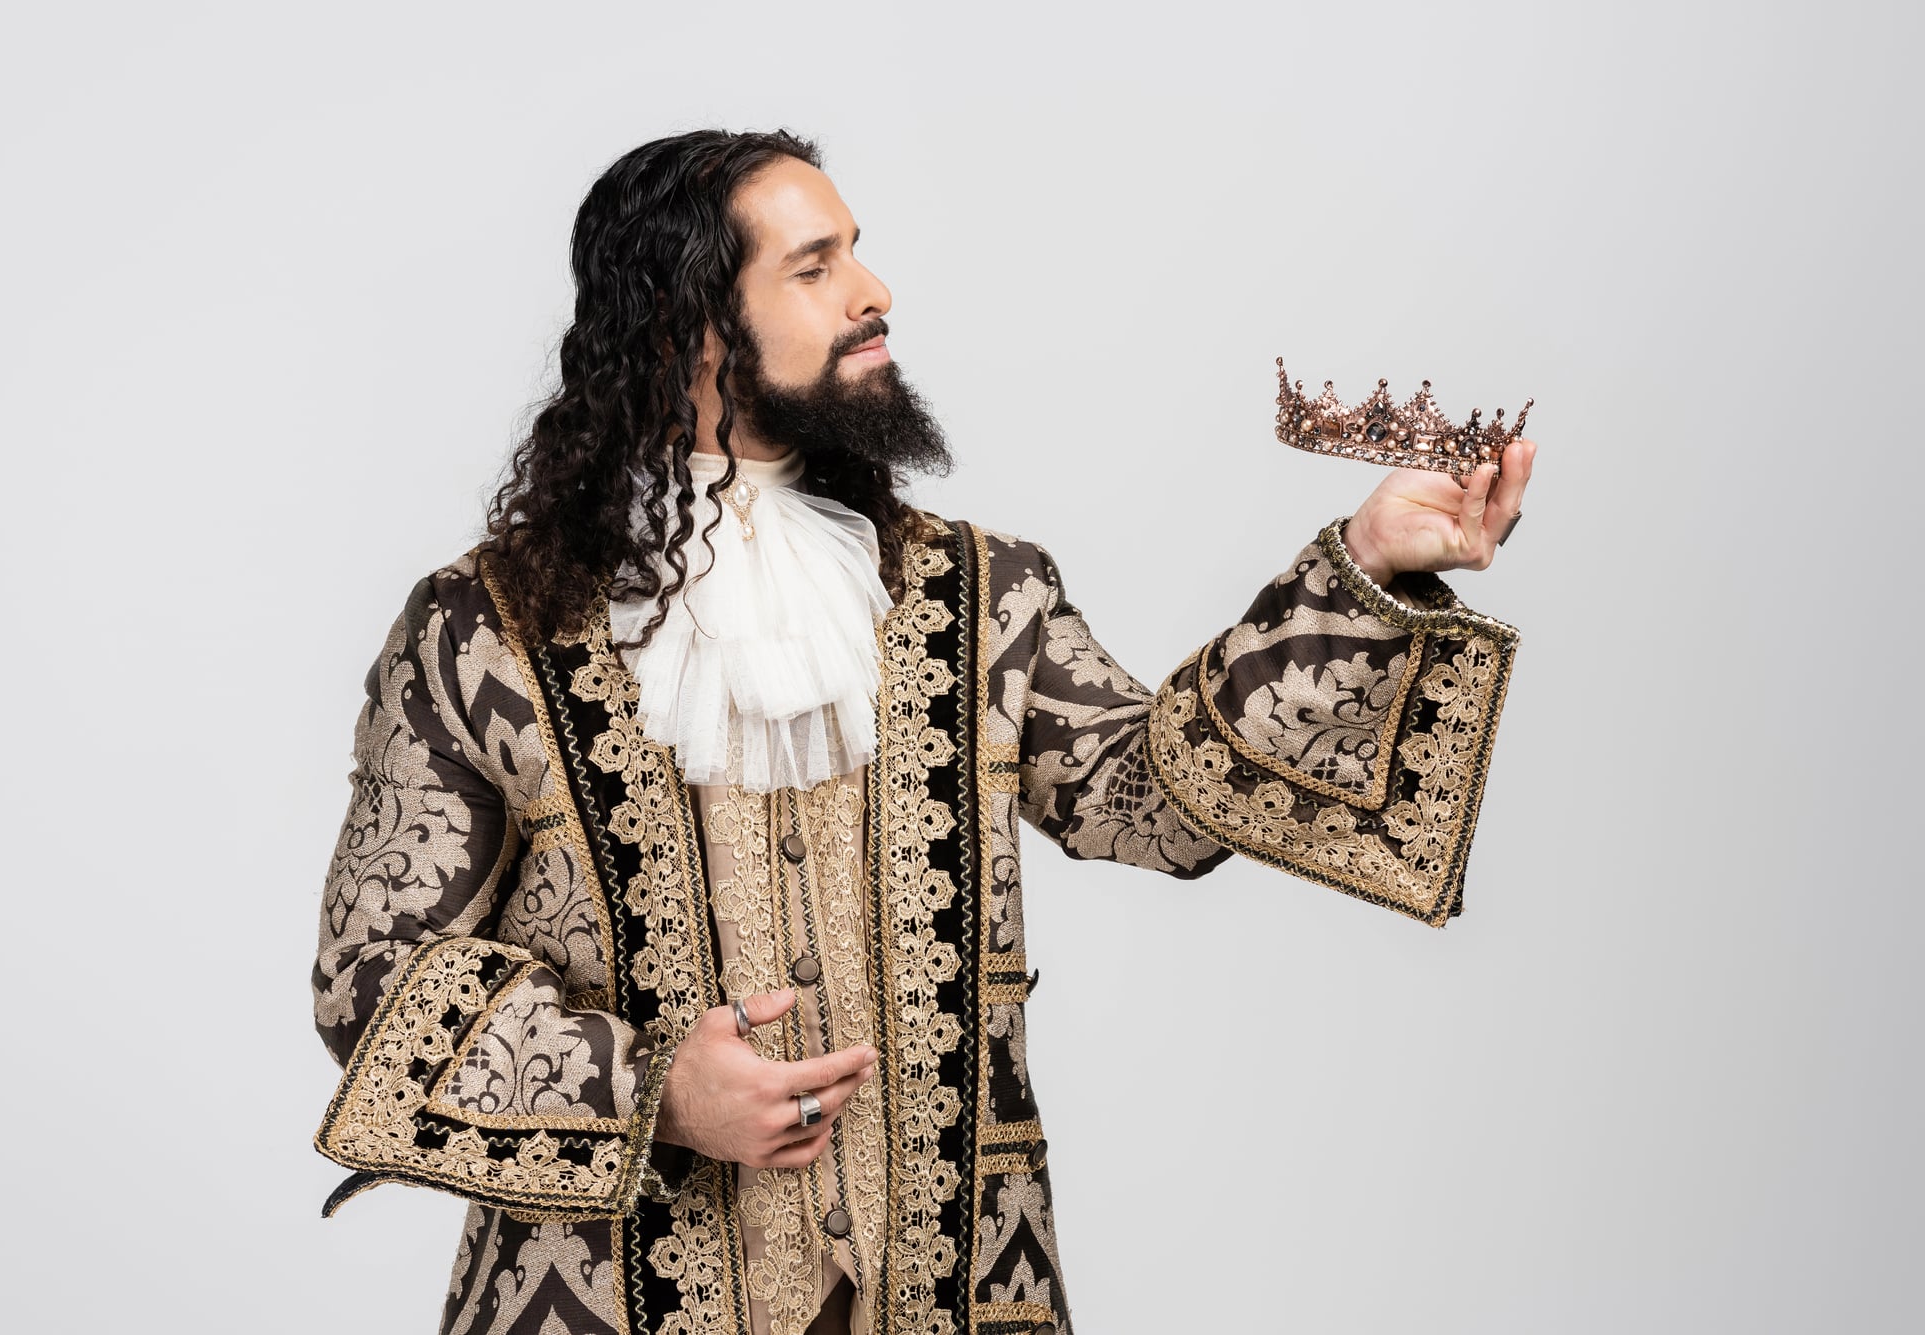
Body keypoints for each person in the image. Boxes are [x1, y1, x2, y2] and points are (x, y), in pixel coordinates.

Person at [311, 128, 1536, 1335]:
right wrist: (655, 1094)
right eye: (814, 267)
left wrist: (1362, 566)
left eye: (854, 251)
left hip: (951, 1298)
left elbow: (1153, 806)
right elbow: (374, 978)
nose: (872, 293)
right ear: (689, 326)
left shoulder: (980, 593)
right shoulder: (484, 627)